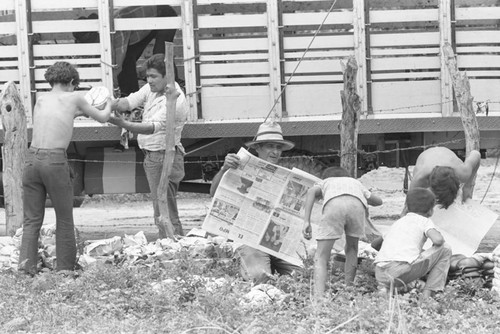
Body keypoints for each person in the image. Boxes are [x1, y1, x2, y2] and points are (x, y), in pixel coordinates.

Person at [19, 61, 111, 275]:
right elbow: (103, 118)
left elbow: (58, 117)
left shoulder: (40, 98)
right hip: (54, 161)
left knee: (31, 219)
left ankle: (26, 268)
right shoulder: (76, 97)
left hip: (31, 160)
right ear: (71, 82)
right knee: (64, 217)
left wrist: (79, 113)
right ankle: (64, 270)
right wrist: (110, 103)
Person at [107, 54, 187, 238]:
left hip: (164, 157)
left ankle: (175, 249)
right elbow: (130, 101)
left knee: (165, 210)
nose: (149, 80)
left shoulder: (176, 99)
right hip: (153, 156)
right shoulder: (151, 90)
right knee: (161, 209)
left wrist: (123, 124)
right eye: (147, 76)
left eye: (153, 76)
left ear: (168, 76)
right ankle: (170, 246)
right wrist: (105, 106)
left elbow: (153, 127)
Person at [210, 121, 300, 284]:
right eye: (270, 146)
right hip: (250, 240)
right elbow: (214, 193)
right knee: (259, 277)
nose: (275, 152)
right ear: (258, 148)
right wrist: (224, 169)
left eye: (278, 147)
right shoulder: (240, 166)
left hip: (278, 242)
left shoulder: (286, 176)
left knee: (302, 277)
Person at [302, 166, 383, 297]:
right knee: (352, 249)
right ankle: (349, 290)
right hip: (357, 207)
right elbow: (379, 201)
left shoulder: (326, 182)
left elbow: (311, 191)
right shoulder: (356, 183)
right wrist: (367, 195)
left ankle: (318, 297)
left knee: (321, 256)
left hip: (334, 206)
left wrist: (307, 221)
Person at [73, 5, 180, 97]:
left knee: (160, 55)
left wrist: (110, 88)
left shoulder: (116, 29)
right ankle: (130, 95)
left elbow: (117, 65)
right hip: (140, 25)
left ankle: (174, 87)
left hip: (164, 14)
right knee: (128, 59)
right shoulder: (106, 29)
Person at [374, 187, 452, 301]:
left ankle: (385, 290)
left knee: (405, 274)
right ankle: (427, 296)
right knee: (445, 248)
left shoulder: (398, 223)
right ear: (431, 211)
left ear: (406, 207)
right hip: (398, 271)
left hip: (380, 274)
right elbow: (438, 241)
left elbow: (375, 245)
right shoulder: (424, 221)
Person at [409, 147, 481, 209]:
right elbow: (409, 204)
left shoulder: (463, 173)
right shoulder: (420, 178)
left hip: (446, 154)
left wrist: (467, 187)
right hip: (425, 157)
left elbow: (476, 154)